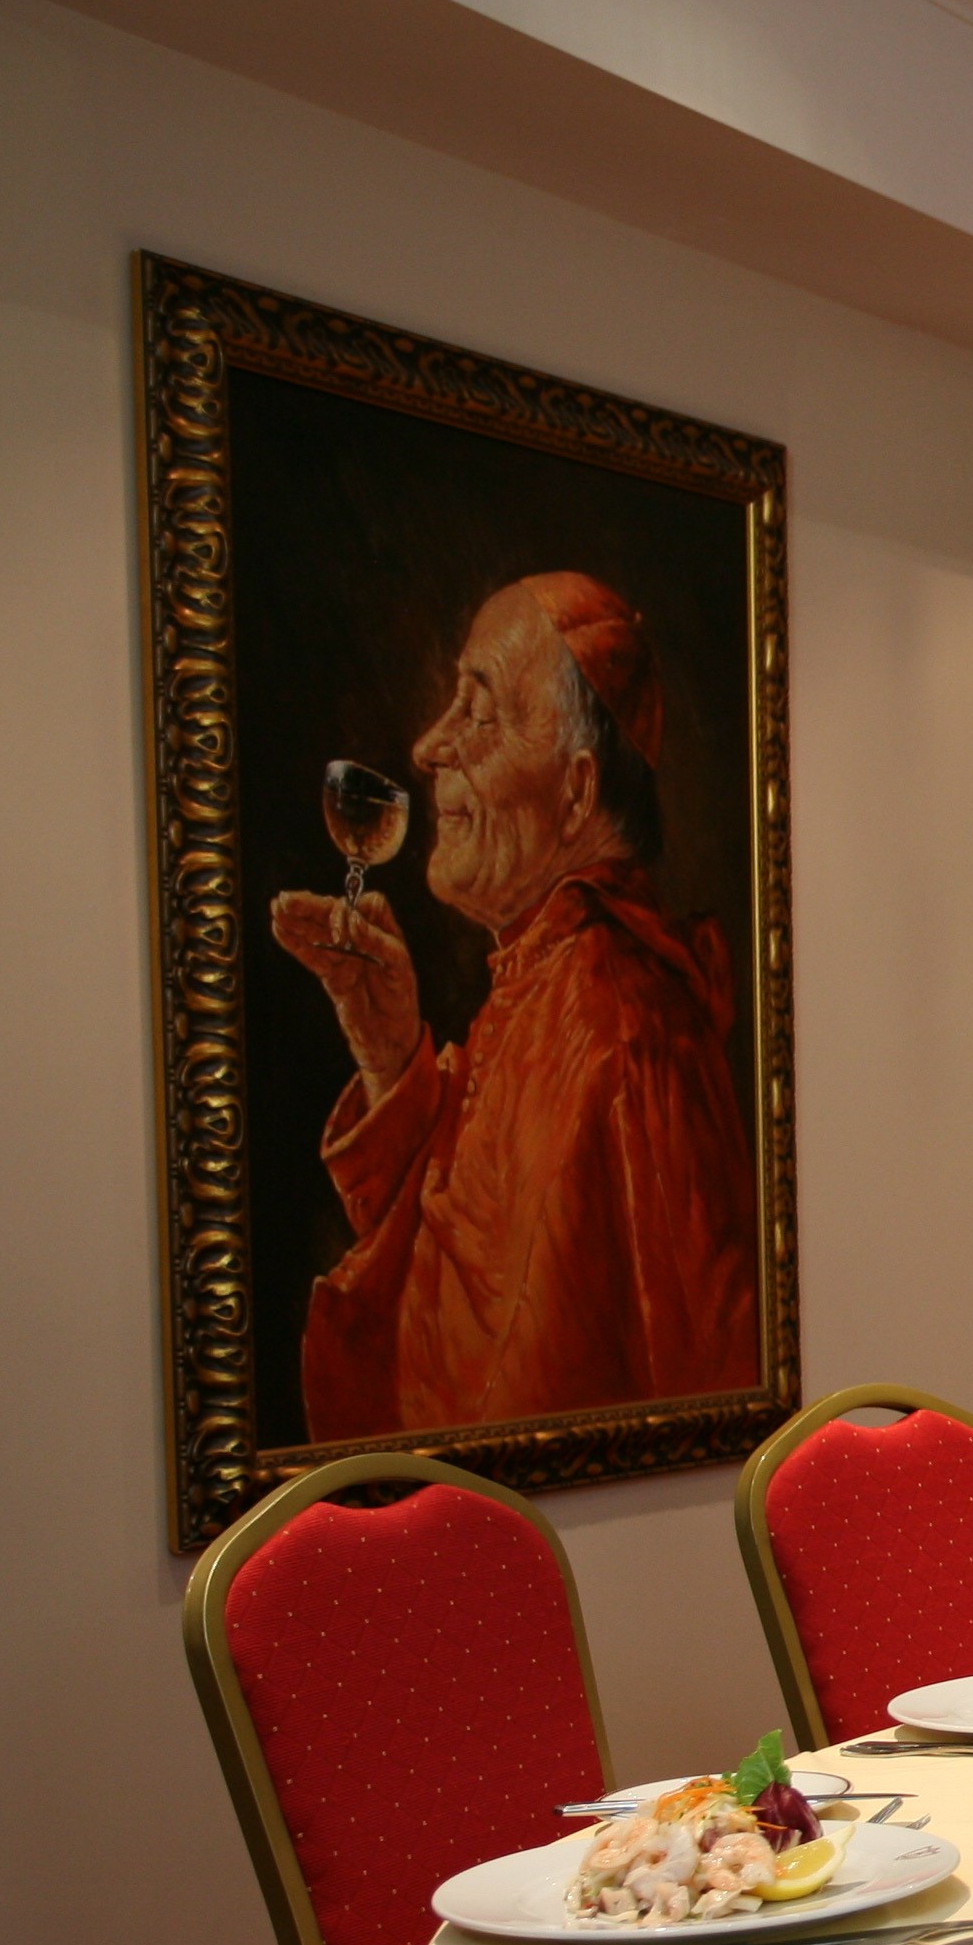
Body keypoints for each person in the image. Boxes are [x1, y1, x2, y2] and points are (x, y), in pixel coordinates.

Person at [266, 571, 757, 1436]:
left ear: (574, 789)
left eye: (478, 712)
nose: (427, 745)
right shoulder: (543, 974)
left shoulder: (627, 1023)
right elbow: (451, 1273)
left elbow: (712, 1377)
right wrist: (390, 1060)